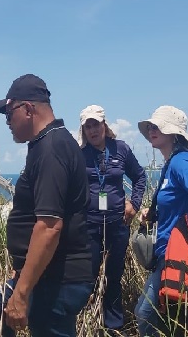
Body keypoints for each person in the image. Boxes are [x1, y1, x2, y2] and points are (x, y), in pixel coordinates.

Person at [0, 74, 93, 336]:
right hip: (45, 273)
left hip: (58, 279)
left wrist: (21, 294)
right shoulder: (45, 144)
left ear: (28, 110)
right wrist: (22, 265)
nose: (7, 122)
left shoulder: (52, 150)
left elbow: (49, 226)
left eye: (9, 114)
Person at [78, 105, 146, 334]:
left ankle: (114, 327)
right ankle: (88, 323)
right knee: (89, 276)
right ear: (84, 130)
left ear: (104, 125)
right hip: (89, 225)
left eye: (96, 124)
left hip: (117, 224)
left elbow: (139, 176)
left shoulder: (121, 149)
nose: (93, 129)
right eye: (88, 126)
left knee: (114, 276)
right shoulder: (80, 154)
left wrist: (134, 204)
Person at [134, 105, 188, 336]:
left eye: (158, 126)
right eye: (151, 126)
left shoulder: (180, 162)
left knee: (145, 314)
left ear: (174, 133)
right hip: (166, 254)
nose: (152, 130)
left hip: (176, 255)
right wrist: (154, 212)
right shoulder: (171, 163)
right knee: (171, 319)